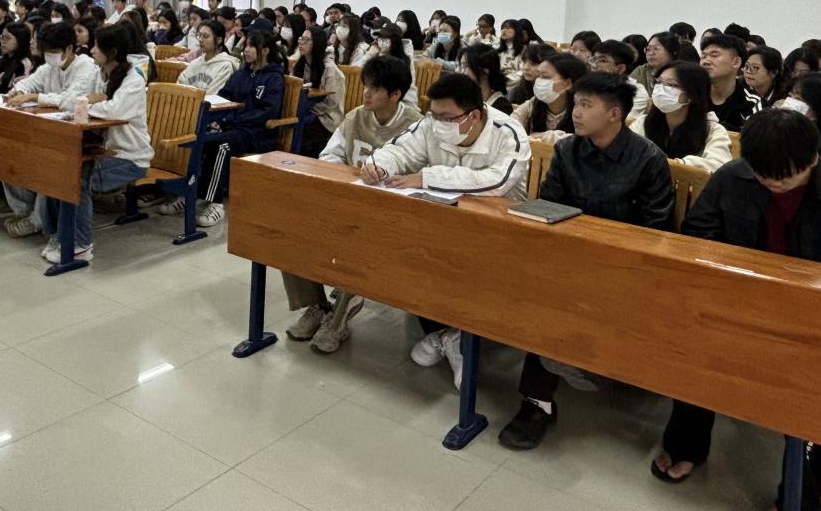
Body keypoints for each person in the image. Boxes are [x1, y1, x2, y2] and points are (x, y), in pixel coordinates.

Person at [651, 109, 821, 508]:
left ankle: (803, 492)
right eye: (764, 174)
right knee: (694, 351)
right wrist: (739, 278)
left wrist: (812, 294)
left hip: (818, 318)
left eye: (786, 175)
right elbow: (698, 234)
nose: (774, 182)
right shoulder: (733, 177)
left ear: (813, 158)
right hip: (740, 301)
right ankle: (686, 442)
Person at [498, 73, 674, 450]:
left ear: (614, 114)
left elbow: (655, 230)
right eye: (575, 104)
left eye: (585, 105)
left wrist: (604, 259)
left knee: (566, 298)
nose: (575, 113)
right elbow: (548, 206)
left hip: (624, 265)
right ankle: (542, 395)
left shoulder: (647, 159)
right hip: (569, 257)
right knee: (540, 288)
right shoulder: (567, 150)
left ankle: (569, 376)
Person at [363, 72, 531, 388]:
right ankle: (450, 334)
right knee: (415, 253)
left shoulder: (508, 132)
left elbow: (496, 181)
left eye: (446, 117)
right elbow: (398, 149)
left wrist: (427, 177)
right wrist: (379, 165)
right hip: (444, 221)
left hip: (498, 228)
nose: (437, 123)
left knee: (466, 267)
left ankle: (460, 336)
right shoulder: (431, 124)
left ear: (474, 116)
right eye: (434, 115)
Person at [283, 56, 421, 354]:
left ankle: (338, 320)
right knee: (292, 230)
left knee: (357, 242)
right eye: (365, 86)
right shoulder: (356, 116)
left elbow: (420, 177)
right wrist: (346, 175)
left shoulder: (415, 126)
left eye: (374, 88)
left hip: (389, 214)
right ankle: (316, 306)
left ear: (395, 94)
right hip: (348, 200)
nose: (365, 94)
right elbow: (329, 155)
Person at [34, 25, 152, 264]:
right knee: (58, 169)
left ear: (113, 52)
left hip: (129, 157)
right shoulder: (100, 75)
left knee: (77, 178)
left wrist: (88, 102)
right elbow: (71, 100)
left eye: (98, 47)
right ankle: (58, 235)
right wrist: (91, 100)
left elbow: (114, 111)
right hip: (101, 151)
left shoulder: (133, 80)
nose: (92, 50)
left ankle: (80, 244)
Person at [167, 30, 285, 228]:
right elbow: (223, 96)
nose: (246, 50)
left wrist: (234, 119)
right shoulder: (241, 74)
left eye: (251, 46)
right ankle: (191, 194)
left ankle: (215, 203)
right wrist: (218, 118)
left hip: (256, 132)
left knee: (221, 146)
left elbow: (267, 112)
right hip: (232, 126)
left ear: (265, 50)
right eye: (245, 45)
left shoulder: (273, 78)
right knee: (199, 140)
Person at [0, 22, 100, 237]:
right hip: (47, 129)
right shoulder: (49, 67)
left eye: (53, 51)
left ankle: (38, 219)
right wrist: (18, 92)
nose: (49, 56)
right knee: (8, 151)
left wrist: (36, 97)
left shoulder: (86, 67)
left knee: (52, 161)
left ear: (69, 49)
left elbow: (71, 100)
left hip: (79, 135)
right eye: (46, 52)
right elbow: (30, 82)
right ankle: (25, 211)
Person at [629, 62, 732, 171]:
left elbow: (719, 166)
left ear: (691, 95)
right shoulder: (643, 122)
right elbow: (625, 151)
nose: (660, 89)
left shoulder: (713, 131)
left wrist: (679, 165)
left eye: (670, 84)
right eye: (658, 82)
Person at [293, 25, 346, 156]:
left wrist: (306, 107)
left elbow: (332, 103)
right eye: (300, 39)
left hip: (327, 118)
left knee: (299, 134)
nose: (301, 43)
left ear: (317, 43)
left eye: (306, 40)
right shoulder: (301, 65)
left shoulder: (330, 69)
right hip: (306, 112)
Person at [513, 51, 588, 141]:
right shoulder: (534, 103)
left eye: (545, 77)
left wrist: (544, 136)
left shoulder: (582, 109)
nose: (539, 81)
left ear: (567, 84)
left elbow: (582, 141)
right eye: (538, 76)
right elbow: (511, 123)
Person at [700, 34, 763, 131]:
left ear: (736, 62)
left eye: (714, 55)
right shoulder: (691, 96)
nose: (705, 61)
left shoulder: (752, 104)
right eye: (703, 56)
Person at [358, 22, 417, 109]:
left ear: (395, 41)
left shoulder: (405, 61)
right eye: (380, 38)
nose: (382, 41)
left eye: (386, 38)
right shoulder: (375, 56)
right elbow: (356, 69)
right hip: (376, 100)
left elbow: (409, 88)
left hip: (402, 102)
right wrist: (370, 54)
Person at [177, 19, 239, 95]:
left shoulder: (226, 66)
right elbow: (180, 84)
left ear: (219, 40)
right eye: (199, 35)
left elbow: (212, 96)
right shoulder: (196, 62)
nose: (200, 40)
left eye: (205, 36)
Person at [590, 39, 650, 118]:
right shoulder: (587, 87)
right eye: (594, 59)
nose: (594, 65)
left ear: (620, 68)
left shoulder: (636, 92)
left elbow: (625, 122)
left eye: (602, 60)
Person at [460, 44, 515, 115]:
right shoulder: (465, 97)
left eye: (466, 66)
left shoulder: (502, 107)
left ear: (485, 71)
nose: (461, 72)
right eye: (461, 66)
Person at [508, 42, 549, 106]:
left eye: (533, 64)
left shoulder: (552, 94)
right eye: (524, 62)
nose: (526, 67)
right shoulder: (516, 92)